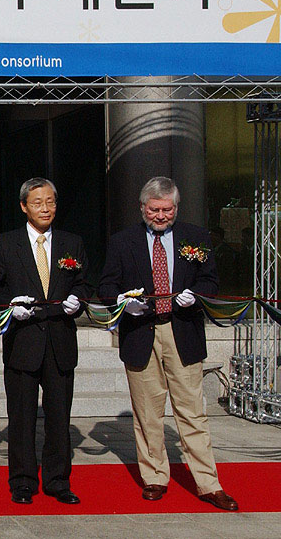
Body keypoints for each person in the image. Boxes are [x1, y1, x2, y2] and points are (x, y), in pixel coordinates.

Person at [98, 176, 238, 511]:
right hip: (141, 331)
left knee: (192, 412)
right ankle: (155, 477)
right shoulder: (123, 241)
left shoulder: (197, 236)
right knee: (148, 414)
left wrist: (197, 295)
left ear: (176, 207)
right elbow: (106, 285)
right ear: (143, 207)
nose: (161, 215)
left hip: (182, 332)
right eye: (155, 209)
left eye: (167, 209)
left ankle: (208, 483)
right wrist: (122, 302)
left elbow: (210, 280)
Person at [0, 177, 89, 505]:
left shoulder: (72, 243)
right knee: (21, 417)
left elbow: (85, 283)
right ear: (23, 206)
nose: (45, 208)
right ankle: (22, 481)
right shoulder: (4, 244)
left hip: (60, 341)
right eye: (38, 203)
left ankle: (58, 480)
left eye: (50, 202)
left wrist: (77, 299)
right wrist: (11, 305)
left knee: (59, 418)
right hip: (22, 342)